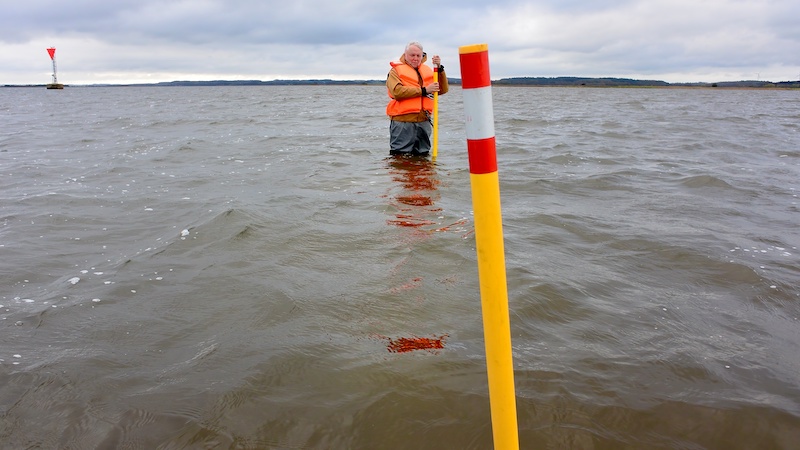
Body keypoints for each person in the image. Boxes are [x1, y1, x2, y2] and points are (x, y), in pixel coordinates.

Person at [386, 41, 449, 156]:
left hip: (423, 121)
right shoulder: (395, 71)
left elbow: (442, 90)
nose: (415, 58)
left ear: (422, 56)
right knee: (400, 158)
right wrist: (424, 90)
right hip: (403, 123)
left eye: (418, 56)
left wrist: (440, 69)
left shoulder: (428, 71)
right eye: (412, 55)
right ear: (405, 55)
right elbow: (397, 92)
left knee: (423, 157)